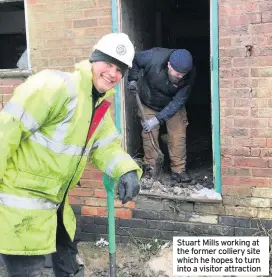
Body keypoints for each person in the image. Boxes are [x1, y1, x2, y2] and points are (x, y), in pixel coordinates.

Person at [0, 32, 142, 277]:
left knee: (69, 268)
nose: (113, 73)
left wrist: (126, 170)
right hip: (20, 206)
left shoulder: (98, 104)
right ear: (92, 60)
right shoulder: (54, 86)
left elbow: (106, 146)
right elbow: (6, 133)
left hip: (55, 206)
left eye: (120, 69)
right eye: (107, 63)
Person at [127, 47, 196, 183]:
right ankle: (151, 168)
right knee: (149, 134)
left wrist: (157, 119)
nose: (181, 77)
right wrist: (132, 79)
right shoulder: (153, 57)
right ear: (169, 64)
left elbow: (179, 101)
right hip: (149, 101)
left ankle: (179, 170)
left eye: (183, 74)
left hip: (173, 105)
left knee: (178, 135)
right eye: (177, 74)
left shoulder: (190, 73)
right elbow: (135, 60)